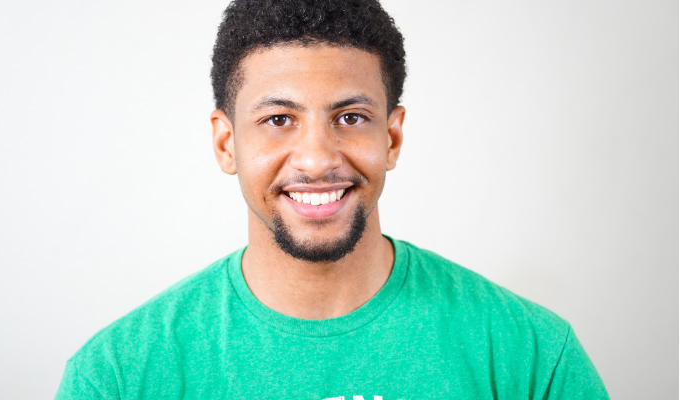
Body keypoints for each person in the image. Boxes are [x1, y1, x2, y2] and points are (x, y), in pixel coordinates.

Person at [56, 0, 609, 398]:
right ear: (227, 143)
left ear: (391, 138)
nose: (317, 159)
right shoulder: (117, 377)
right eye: (278, 119)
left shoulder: (532, 357)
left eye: (350, 117)